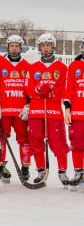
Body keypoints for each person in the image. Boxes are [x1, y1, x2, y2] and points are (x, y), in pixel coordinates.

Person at [25, 33, 69, 186]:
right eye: (43, 46)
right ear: (40, 48)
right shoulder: (33, 67)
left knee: (59, 141)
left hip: (54, 111)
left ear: (53, 46)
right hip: (36, 111)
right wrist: (37, 89)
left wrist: (51, 90)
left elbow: (63, 88)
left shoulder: (62, 67)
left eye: (48, 45)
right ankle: (40, 170)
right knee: (36, 140)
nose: (45, 48)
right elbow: (28, 88)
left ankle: (63, 171)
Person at [0, 35, 31, 182]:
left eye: (17, 46)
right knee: (1, 138)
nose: (14, 48)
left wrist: (28, 104)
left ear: (21, 48)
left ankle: (25, 167)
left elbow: (30, 88)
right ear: (8, 48)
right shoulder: (0, 64)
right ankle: (0, 166)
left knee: (24, 139)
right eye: (11, 46)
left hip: (20, 111)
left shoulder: (27, 66)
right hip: (5, 109)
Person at [63, 37, 84, 190]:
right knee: (76, 143)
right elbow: (69, 88)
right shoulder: (74, 65)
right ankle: (78, 172)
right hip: (78, 112)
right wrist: (68, 108)